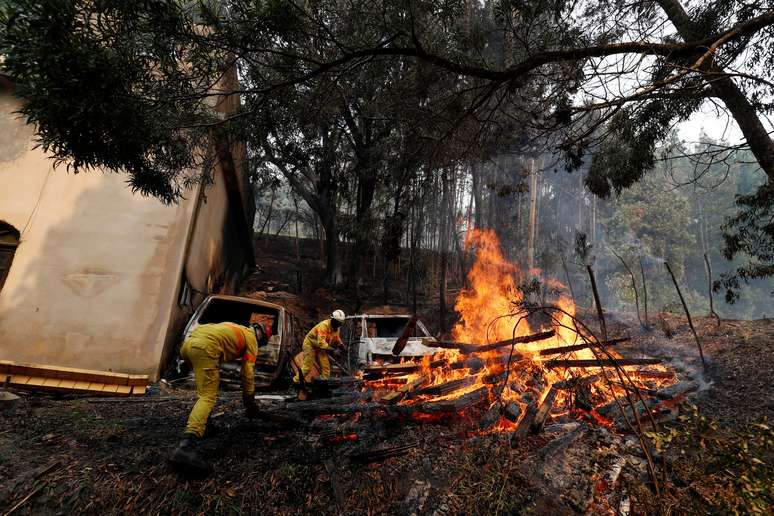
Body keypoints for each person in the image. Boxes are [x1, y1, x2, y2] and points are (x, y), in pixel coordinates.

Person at [170, 318, 268, 471]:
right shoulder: (252, 340)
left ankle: (204, 425)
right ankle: (186, 447)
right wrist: (249, 400)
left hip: (188, 346)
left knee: (204, 392)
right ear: (261, 336)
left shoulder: (236, 327)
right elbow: (247, 373)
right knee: (208, 396)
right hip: (205, 348)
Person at [294, 310, 346, 384]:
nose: (339, 325)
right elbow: (322, 344)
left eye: (341, 323)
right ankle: (296, 382)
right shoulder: (323, 326)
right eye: (338, 322)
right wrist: (333, 350)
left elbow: (337, 338)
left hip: (320, 347)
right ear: (333, 320)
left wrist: (342, 346)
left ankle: (322, 384)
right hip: (310, 345)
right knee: (307, 367)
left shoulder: (337, 328)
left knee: (326, 367)